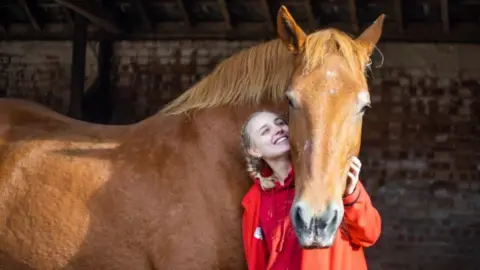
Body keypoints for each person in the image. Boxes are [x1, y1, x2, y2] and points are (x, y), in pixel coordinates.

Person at [240, 110, 381, 270]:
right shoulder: (255, 202)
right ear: (254, 151)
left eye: (280, 123)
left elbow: (369, 234)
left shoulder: (328, 175)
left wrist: (351, 195)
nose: (277, 129)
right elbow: (257, 264)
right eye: (265, 131)